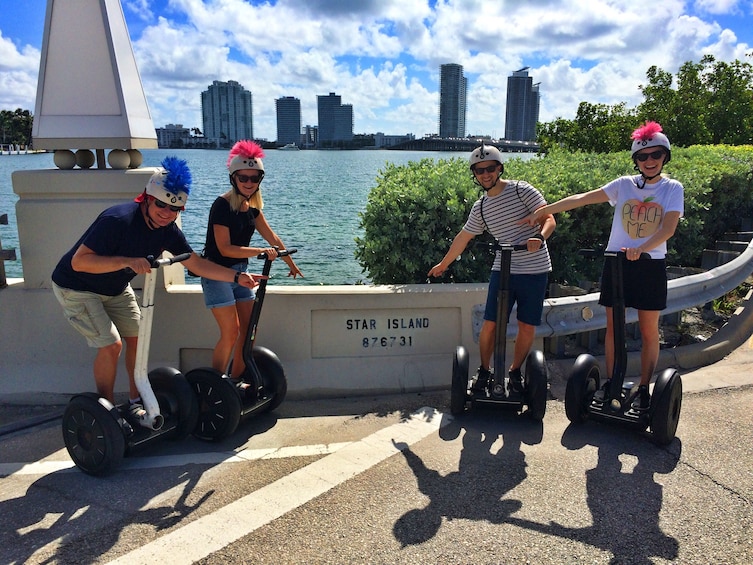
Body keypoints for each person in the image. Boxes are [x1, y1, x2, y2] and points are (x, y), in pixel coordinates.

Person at [52, 156, 264, 420]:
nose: (167, 213)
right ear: (147, 198)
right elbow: (79, 262)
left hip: (115, 289)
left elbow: (196, 263)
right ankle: (105, 412)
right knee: (111, 346)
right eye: (161, 205)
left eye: (175, 209)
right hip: (77, 287)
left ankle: (134, 402)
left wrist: (236, 278)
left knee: (137, 341)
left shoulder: (168, 230)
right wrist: (127, 262)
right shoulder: (117, 220)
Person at [521, 121, 683, 411]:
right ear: (636, 160)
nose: (649, 161)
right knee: (613, 327)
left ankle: (644, 387)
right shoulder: (624, 185)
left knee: (648, 329)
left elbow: (668, 228)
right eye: (643, 157)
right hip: (616, 263)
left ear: (664, 157)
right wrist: (544, 210)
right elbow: (583, 199)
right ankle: (613, 382)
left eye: (655, 155)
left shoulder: (672, 188)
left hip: (649, 264)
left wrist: (641, 249)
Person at [428, 144, 556, 393]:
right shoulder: (482, 208)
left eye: (489, 169)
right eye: (479, 170)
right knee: (490, 324)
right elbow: (464, 237)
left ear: (499, 169)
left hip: (534, 268)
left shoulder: (522, 191)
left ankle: (515, 371)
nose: (485, 174)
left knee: (527, 325)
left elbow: (549, 218)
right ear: (474, 174)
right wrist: (444, 264)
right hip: (504, 269)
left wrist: (539, 238)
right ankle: (485, 371)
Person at [201, 140, 303, 385]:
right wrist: (261, 250)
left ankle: (234, 382)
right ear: (233, 178)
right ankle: (215, 385)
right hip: (217, 273)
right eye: (243, 178)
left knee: (249, 332)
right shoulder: (221, 206)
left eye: (254, 178)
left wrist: (289, 262)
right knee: (231, 332)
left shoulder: (252, 209)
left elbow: (273, 238)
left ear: (260, 180)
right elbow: (224, 247)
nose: (249, 183)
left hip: (240, 274)